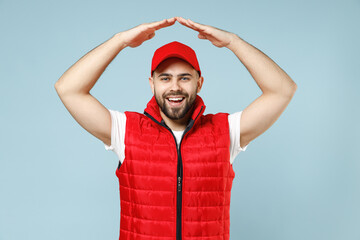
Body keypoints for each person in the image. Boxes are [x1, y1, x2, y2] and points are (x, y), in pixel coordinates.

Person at [55, 16, 297, 240]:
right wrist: (120, 41)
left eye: (184, 77)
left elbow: (282, 90)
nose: (175, 87)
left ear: (199, 83)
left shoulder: (226, 131)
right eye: (165, 78)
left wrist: (232, 42)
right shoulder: (125, 130)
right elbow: (68, 89)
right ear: (152, 84)